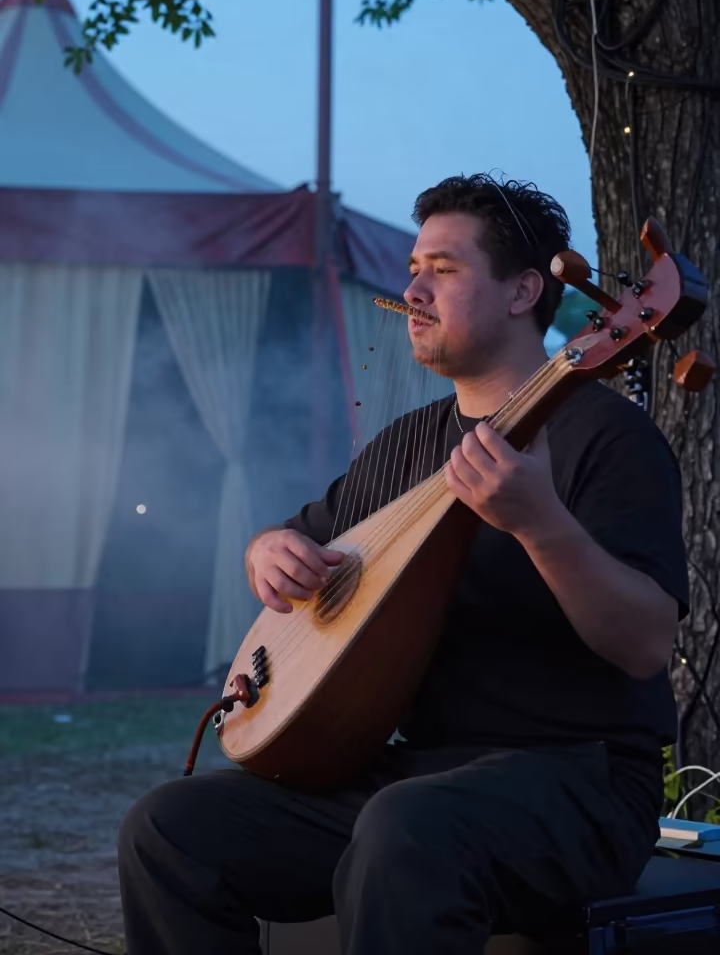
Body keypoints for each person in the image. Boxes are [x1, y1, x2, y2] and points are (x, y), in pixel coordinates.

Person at [118, 173, 688, 955]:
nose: (413, 288)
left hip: (578, 785)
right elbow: (304, 536)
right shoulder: (405, 445)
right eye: (414, 267)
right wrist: (267, 552)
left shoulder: (608, 438)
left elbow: (647, 643)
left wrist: (541, 523)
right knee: (170, 827)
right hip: (417, 773)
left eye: (444, 270)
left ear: (525, 291)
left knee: (407, 826)